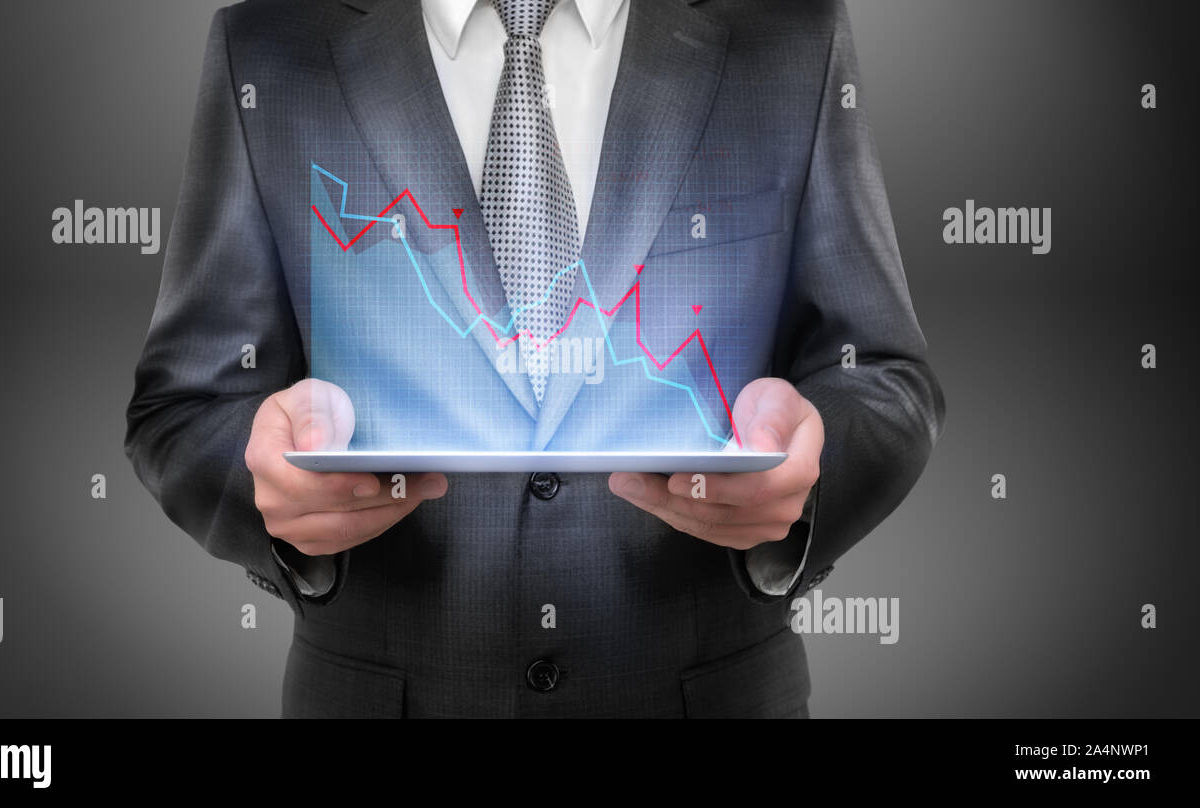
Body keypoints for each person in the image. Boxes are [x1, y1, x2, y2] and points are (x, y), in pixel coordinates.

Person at [126, 0, 945, 718]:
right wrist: (262, 476)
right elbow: (185, 405)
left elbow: (882, 375)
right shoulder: (268, 47)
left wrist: (808, 472)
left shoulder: (791, 36)